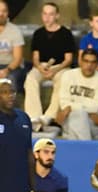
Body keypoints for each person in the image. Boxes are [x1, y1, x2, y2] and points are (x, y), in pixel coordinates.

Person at [25, 2, 75, 132]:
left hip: (60, 67)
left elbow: (68, 59)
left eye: (51, 14)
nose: (47, 17)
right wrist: (40, 68)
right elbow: (35, 58)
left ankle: (48, 117)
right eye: (45, 14)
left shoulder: (65, 33)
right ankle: (34, 118)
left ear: (57, 16)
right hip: (42, 66)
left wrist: (55, 70)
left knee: (64, 80)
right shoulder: (38, 33)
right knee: (30, 79)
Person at [56, 48, 98, 140]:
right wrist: (84, 110)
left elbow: (96, 107)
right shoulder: (68, 75)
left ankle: (77, 145)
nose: (89, 65)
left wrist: (71, 107)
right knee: (77, 116)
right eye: (86, 61)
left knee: (78, 117)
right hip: (73, 118)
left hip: (94, 122)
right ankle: (85, 144)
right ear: (80, 62)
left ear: (97, 64)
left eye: (93, 62)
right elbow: (64, 102)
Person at [0, 0, 25, 90]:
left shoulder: (15, 31)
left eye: (4, 11)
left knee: (10, 78)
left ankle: (11, 99)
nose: (1, 14)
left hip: (11, 66)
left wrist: (6, 70)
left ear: (8, 13)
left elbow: (17, 59)